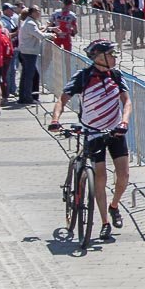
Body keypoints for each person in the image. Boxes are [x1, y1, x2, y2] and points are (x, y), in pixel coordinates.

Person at [50, 39, 132, 241]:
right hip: (93, 132)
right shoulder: (83, 76)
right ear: (99, 57)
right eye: (111, 54)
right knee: (101, 177)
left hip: (115, 132)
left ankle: (114, 206)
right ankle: (104, 223)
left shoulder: (116, 75)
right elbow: (62, 99)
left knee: (123, 177)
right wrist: (55, 120)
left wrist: (124, 121)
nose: (115, 58)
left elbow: (127, 101)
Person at [15, 5, 49, 105]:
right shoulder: (30, 23)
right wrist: (51, 35)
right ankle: (27, 98)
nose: (39, 13)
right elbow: (40, 35)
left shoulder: (30, 22)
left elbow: (38, 32)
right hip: (29, 52)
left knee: (26, 75)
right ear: (32, 12)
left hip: (26, 52)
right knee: (29, 76)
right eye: (37, 11)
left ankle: (23, 97)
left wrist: (49, 28)